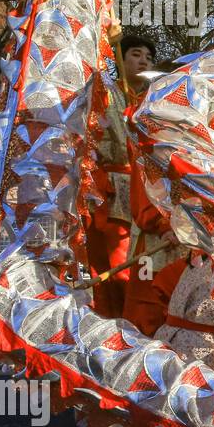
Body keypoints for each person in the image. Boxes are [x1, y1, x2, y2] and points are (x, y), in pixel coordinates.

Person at [88, 34, 155, 317]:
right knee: (110, 269)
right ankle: (109, 329)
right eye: (136, 54)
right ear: (120, 58)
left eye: (149, 58)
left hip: (149, 193)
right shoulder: (104, 91)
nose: (144, 61)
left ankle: (138, 328)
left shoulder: (156, 100)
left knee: (140, 269)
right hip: (113, 190)